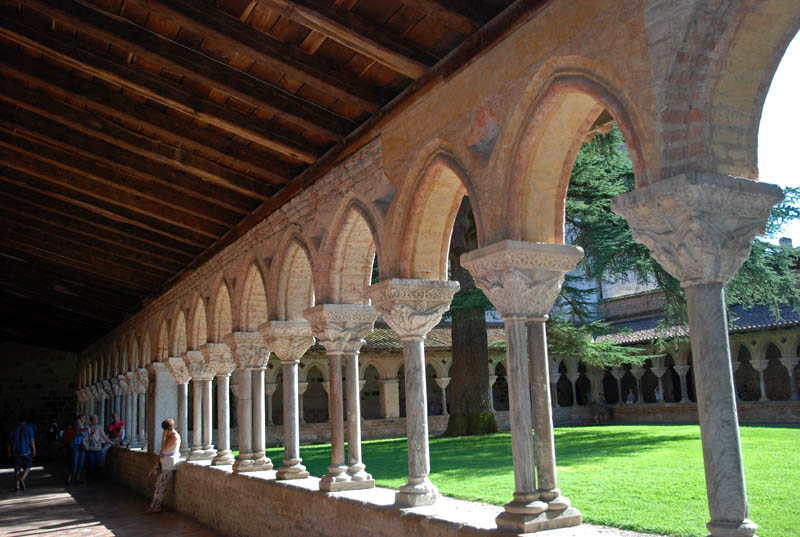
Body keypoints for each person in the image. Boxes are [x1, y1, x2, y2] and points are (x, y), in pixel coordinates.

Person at [145, 419, 181, 514]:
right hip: (164, 462)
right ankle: (154, 506)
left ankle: (155, 506)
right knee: (159, 485)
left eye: (165, 430)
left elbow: (164, 448)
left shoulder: (174, 437)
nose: (164, 432)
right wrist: (158, 461)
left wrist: (164, 438)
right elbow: (162, 451)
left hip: (169, 464)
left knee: (161, 485)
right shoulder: (169, 435)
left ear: (169, 429)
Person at [8, 416, 36, 492]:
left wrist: (9, 452)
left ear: (18, 420)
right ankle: (23, 478)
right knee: (28, 465)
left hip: (15, 452)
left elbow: (10, 443)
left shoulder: (14, 429)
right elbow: (31, 440)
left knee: (17, 469)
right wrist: (34, 450)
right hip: (26, 451)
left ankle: (17, 487)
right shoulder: (29, 429)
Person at [85, 415, 112, 481]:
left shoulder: (99, 427)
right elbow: (87, 437)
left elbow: (103, 436)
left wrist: (111, 442)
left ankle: (97, 477)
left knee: (98, 461)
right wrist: (92, 433)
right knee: (91, 462)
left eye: (96, 419)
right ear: (91, 420)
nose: (96, 420)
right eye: (94, 419)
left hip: (98, 447)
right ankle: (91, 476)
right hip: (91, 447)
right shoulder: (88, 427)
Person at [67, 415, 88, 485]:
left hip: (83, 446)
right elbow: (75, 434)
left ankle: (77, 478)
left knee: (81, 462)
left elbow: (86, 436)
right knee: (74, 462)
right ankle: (69, 478)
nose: (83, 419)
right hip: (75, 445)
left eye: (84, 418)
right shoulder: (74, 427)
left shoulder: (85, 428)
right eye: (82, 418)